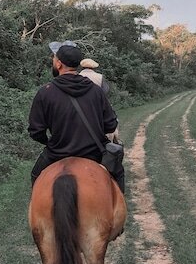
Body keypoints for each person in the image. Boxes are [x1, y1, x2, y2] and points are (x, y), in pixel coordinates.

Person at [29, 42, 125, 193]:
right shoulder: (95, 90)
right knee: (118, 173)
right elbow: (110, 125)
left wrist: (51, 142)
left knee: (36, 175)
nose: (53, 61)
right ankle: (118, 213)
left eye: (54, 58)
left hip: (57, 153)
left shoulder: (45, 92)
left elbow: (36, 131)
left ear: (59, 64)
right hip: (94, 153)